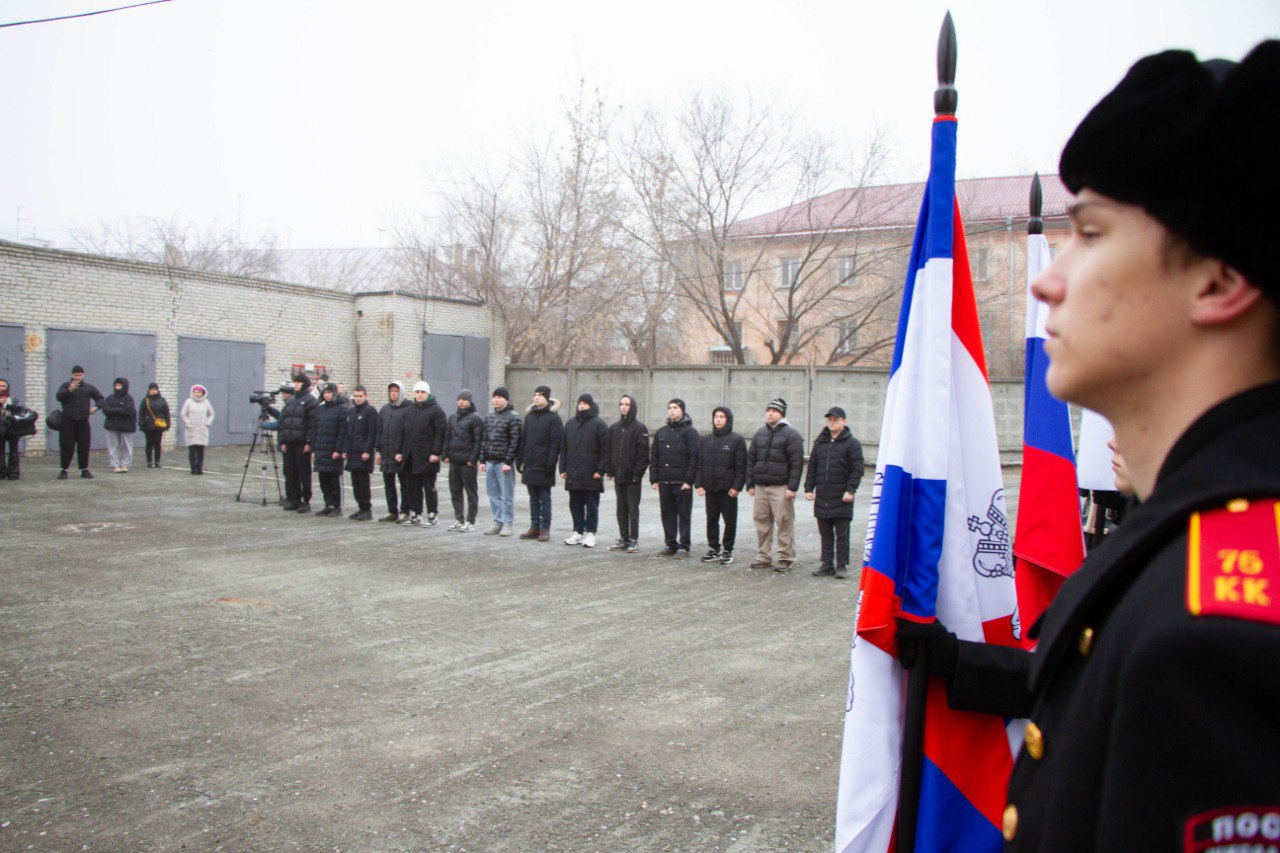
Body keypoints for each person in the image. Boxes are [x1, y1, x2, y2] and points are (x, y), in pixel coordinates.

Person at [896, 43, 1280, 851]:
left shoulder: (1221, 629)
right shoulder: (1180, 548)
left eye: (1092, 233)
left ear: (1218, 279)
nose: (1045, 280)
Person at [803, 407, 864, 579]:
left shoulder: (852, 443)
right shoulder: (820, 442)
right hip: (823, 495)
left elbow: (857, 469)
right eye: (829, 419)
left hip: (842, 496)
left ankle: (841, 565)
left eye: (835, 419)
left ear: (844, 421)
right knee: (825, 533)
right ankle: (827, 564)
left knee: (842, 533)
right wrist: (809, 488)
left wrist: (850, 490)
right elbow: (813, 466)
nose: (832, 422)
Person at [745, 398, 804, 572]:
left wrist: (792, 487)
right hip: (761, 486)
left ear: (782, 414)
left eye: (775, 411)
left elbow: (796, 463)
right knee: (761, 522)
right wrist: (750, 483)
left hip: (781, 487)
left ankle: (785, 557)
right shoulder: (760, 434)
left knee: (784, 522)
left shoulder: (791, 434)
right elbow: (751, 460)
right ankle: (764, 556)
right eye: (768, 410)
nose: (770, 413)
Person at [694, 406, 747, 565]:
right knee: (711, 519)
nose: (718, 419)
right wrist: (699, 484)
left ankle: (728, 549)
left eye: (722, 417)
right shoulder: (705, 440)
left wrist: (736, 486)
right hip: (711, 488)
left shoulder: (736, 440)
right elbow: (699, 464)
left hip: (728, 490)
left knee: (729, 521)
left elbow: (741, 467)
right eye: (716, 416)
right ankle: (714, 547)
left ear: (728, 420)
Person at [650, 398, 699, 558]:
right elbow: (655, 456)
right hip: (665, 481)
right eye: (670, 407)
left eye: (675, 408)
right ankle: (670, 544)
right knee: (667, 514)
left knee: (684, 515)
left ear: (682, 410)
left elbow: (694, 458)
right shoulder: (661, 432)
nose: (672, 410)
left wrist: (689, 481)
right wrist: (654, 479)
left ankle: (684, 546)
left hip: (681, 482)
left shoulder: (690, 432)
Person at [395, 380, 446, 526]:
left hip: (427, 457)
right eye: (417, 392)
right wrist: (399, 451)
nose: (419, 395)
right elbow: (403, 432)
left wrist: (436, 452)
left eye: (422, 392)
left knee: (429, 487)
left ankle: (432, 514)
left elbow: (440, 433)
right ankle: (415, 513)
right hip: (411, 456)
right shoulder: (410, 410)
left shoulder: (436, 411)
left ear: (428, 393)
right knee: (413, 486)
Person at [560, 393, 608, 547]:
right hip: (573, 472)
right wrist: (562, 468)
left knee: (592, 505)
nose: (581, 406)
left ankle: (591, 533)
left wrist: (600, 471)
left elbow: (605, 450)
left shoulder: (599, 424)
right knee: (575, 504)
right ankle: (578, 532)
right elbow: (564, 448)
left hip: (591, 474)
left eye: (584, 403)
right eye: (579, 403)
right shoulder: (570, 424)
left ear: (590, 405)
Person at [603, 394, 649, 553]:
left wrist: (637, 475)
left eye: (627, 404)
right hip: (619, 477)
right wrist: (609, 470)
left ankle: (634, 539)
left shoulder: (640, 428)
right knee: (621, 509)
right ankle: (624, 538)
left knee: (632, 509)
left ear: (632, 407)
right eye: (621, 404)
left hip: (633, 479)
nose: (623, 407)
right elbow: (609, 450)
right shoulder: (614, 428)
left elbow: (643, 455)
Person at [517, 385, 562, 542]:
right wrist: (519, 459)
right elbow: (523, 439)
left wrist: (551, 463)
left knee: (545, 498)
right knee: (533, 498)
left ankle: (545, 528)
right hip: (530, 464)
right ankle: (534, 526)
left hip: (544, 465)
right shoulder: (530, 417)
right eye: (535, 394)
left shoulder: (554, 418)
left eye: (540, 395)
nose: (536, 397)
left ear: (547, 398)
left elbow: (556, 443)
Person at [479, 386, 520, 536]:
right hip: (490, 462)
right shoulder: (490, 417)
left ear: (506, 400)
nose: (496, 400)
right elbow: (484, 438)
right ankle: (497, 522)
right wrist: (482, 460)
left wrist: (508, 462)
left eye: (499, 397)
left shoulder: (513, 417)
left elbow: (515, 441)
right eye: (494, 397)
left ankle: (508, 523)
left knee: (506, 495)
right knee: (493, 495)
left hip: (503, 463)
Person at [444, 389, 484, 532]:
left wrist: (472, 459)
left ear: (470, 401)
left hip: (467, 463)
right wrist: (445, 454)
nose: (461, 402)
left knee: (471, 492)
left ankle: (470, 521)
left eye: (464, 399)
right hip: (454, 461)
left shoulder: (476, 418)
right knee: (455, 491)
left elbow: (478, 441)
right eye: (459, 399)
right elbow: (447, 437)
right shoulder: (452, 417)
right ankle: (459, 519)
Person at [54, 365, 104, 479]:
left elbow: (100, 398)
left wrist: (95, 408)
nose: (77, 377)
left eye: (79, 375)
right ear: (72, 375)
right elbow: (59, 397)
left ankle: (84, 470)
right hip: (68, 421)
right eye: (76, 375)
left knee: (84, 446)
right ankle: (64, 470)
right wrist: (69, 390)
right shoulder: (65, 386)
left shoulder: (89, 387)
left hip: (83, 421)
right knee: (66, 445)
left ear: (83, 375)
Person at [278, 373, 319, 512]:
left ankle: (305, 500)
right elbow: (284, 422)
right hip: (289, 443)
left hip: (302, 444)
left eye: (298, 382)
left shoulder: (311, 401)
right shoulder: (290, 401)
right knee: (290, 472)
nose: (295, 385)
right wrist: (282, 440)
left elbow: (312, 424)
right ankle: (293, 498)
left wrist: (309, 442)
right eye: (295, 382)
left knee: (303, 473)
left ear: (305, 384)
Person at [311, 383, 349, 516]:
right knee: (323, 481)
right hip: (321, 450)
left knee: (334, 481)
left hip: (333, 451)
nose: (327, 395)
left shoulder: (342, 409)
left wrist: (338, 450)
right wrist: (314, 449)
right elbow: (315, 430)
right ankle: (328, 504)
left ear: (334, 393)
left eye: (329, 393)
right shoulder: (320, 409)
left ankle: (337, 506)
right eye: (325, 393)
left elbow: (342, 432)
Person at [341, 385, 378, 520]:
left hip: (363, 453)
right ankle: (360, 507)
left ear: (365, 396)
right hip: (352, 453)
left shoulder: (370, 411)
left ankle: (367, 509)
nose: (358, 398)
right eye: (355, 396)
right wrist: (345, 450)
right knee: (355, 482)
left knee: (363, 482)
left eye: (360, 396)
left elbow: (372, 433)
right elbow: (348, 433)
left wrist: (367, 450)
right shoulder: (352, 411)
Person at [376, 381, 411, 522]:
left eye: (396, 391)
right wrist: (378, 451)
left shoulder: (408, 409)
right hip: (386, 452)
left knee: (404, 483)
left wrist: (402, 451)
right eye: (391, 391)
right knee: (388, 483)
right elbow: (379, 431)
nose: (393, 394)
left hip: (400, 454)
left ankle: (405, 511)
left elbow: (407, 433)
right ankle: (392, 511)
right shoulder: (384, 409)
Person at [100, 377, 138, 473]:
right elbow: (105, 409)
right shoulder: (110, 397)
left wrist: (113, 410)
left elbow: (128, 410)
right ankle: (115, 465)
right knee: (113, 445)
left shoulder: (128, 398)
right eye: (116, 385)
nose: (117, 387)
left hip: (126, 426)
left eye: (120, 385)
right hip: (112, 425)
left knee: (127, 445)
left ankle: (125, 464)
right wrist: (119, 409)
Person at [179, 384, 214, 475]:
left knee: (201, 451)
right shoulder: (188, 402)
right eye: (195, 392)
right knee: (192, 450)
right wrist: (188, 423)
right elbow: (183, 414)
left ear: (202, 393)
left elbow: (211, 414)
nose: (197, 394)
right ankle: (193, 468)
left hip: (202, 429)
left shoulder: (206, 402)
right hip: (192, 429)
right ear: (192, 392)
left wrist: (208, 423)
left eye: (199, 392)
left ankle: (200, 468)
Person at [138, 383, 171, 468]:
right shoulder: (145, 400)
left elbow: (167, 413)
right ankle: (149, 461)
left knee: (157, 443)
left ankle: (157, 461)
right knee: (149, 443)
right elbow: (141, 413)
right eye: (152, 389)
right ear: (149, 390)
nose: (153, 391)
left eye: (155, 389)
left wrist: (168, 423)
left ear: (157, 390)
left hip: (159, 425)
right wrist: (141, 423)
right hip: (148, 425)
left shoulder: (162, 400)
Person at [0, 378, 24, 479]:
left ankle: (13, 473)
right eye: (0, 386)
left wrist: (6, 406)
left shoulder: (13, 399)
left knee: (13, 451)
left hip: (12, 428)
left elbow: (20, 410)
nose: (1, 388)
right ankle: (1, 472)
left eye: (3, 386)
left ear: (7, 388)